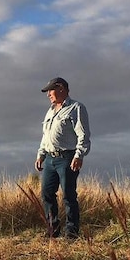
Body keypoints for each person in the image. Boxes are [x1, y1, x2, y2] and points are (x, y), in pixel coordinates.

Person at [34, 77, 91, 239]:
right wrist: (41, 155)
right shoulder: (50, 111)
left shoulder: (76, 108)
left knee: (68, 194)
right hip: (50, 159)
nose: (48, 95)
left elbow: (83, 134)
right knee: (46, 193)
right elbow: (46, 136)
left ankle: (72, 232)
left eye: (50, 91)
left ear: (61, 88)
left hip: (68, 158)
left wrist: (79, 155)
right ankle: (53, 229)